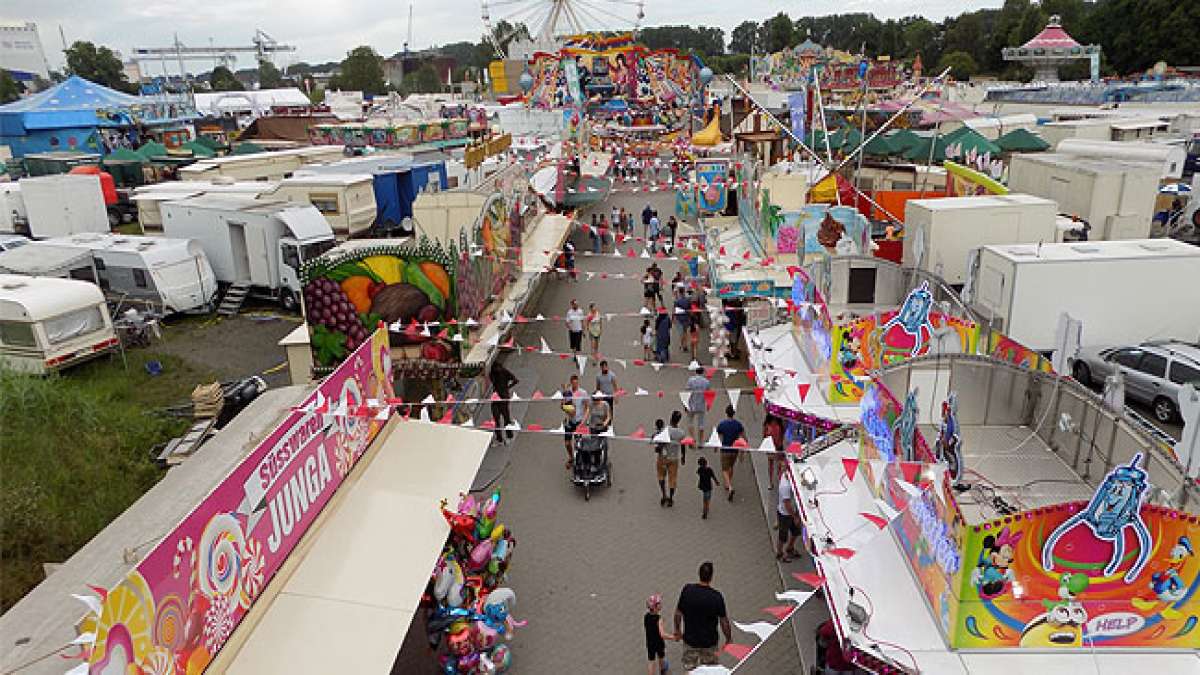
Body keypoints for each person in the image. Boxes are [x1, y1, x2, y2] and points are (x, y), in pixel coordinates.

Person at [674, 562, 731, 668]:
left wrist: (677, 630)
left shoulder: (687, 590)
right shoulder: (716, 597)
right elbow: (724, 621)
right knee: (709, 669)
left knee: (690, 668)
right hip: (709, 643)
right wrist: (728, 638)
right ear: (711, 577)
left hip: (690, 640)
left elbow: (678, 613)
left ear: (699, 574)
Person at [715, 405, 745, 501]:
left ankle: (730, 487)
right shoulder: (738, 425)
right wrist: (741, 452)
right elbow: (741, 438)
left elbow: (718, 437)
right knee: (731, 467)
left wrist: (716, 446)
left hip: (725, 449)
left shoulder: (722, 424)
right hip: (735, 450)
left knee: (724, 469)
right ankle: (728, 483)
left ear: (726, 412)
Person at [776, 462, 802, 562]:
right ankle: (779, 553)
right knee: (783, 536)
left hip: (791, 511)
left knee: (796, 531)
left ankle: (790, 548)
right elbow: (787, 505)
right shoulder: (785, 486)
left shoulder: (786, 476)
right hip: (786, 514)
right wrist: (795, 516)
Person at [644, 594, 677, 675]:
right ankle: (663, 671)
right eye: (659, 603)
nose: (661, 605)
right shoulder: (659, 619)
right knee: (661, 657)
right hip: (658, 642)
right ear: (656, 607)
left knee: (651, 661)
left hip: (650, 642)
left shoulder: (646, 617)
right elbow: (662, 634)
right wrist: (673, 637)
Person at [563, 374, 590, 468]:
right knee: (567, 443)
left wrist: (584, 421)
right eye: (573, 383)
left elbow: (587, 408)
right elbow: (562, 405)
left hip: (579, 421)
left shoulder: (583, 393)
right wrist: (566, 408)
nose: (575, 385)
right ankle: (571, 457)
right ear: (571, 383)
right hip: (570, 421)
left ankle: (581, 459)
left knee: (580, 443)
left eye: (576, 383)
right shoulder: (567, 392)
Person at [489, 361, 519, 444]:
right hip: (496, 398)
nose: (498, 370)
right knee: (496, 419)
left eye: (499, 368)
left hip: (503, 398)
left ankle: (509, 436)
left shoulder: (504, 372)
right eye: (497, 368)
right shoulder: (493, 373)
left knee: (506, 418)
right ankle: (499, 439)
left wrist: (507, 387)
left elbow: (515, 380)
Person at [685, 367, 710, 445]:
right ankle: (700, 442)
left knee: (690, 422)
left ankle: (692, 440)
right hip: (701, 404)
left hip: (691, 404)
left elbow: (686, 393)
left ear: (695, 371)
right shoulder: (706, 382)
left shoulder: (690, 380)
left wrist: (685, 404)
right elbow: (708, 394)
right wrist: (708, 404)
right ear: (703, 372)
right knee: (701, 423)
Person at [763, 413, 785, 490]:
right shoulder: (768, 424)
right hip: (771, 447)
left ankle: (779, 480)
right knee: (771, 464)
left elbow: (782, 435)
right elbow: (764, 435)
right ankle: (771, 482)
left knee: (779, 465)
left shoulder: (779, 424)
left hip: (778, 446)